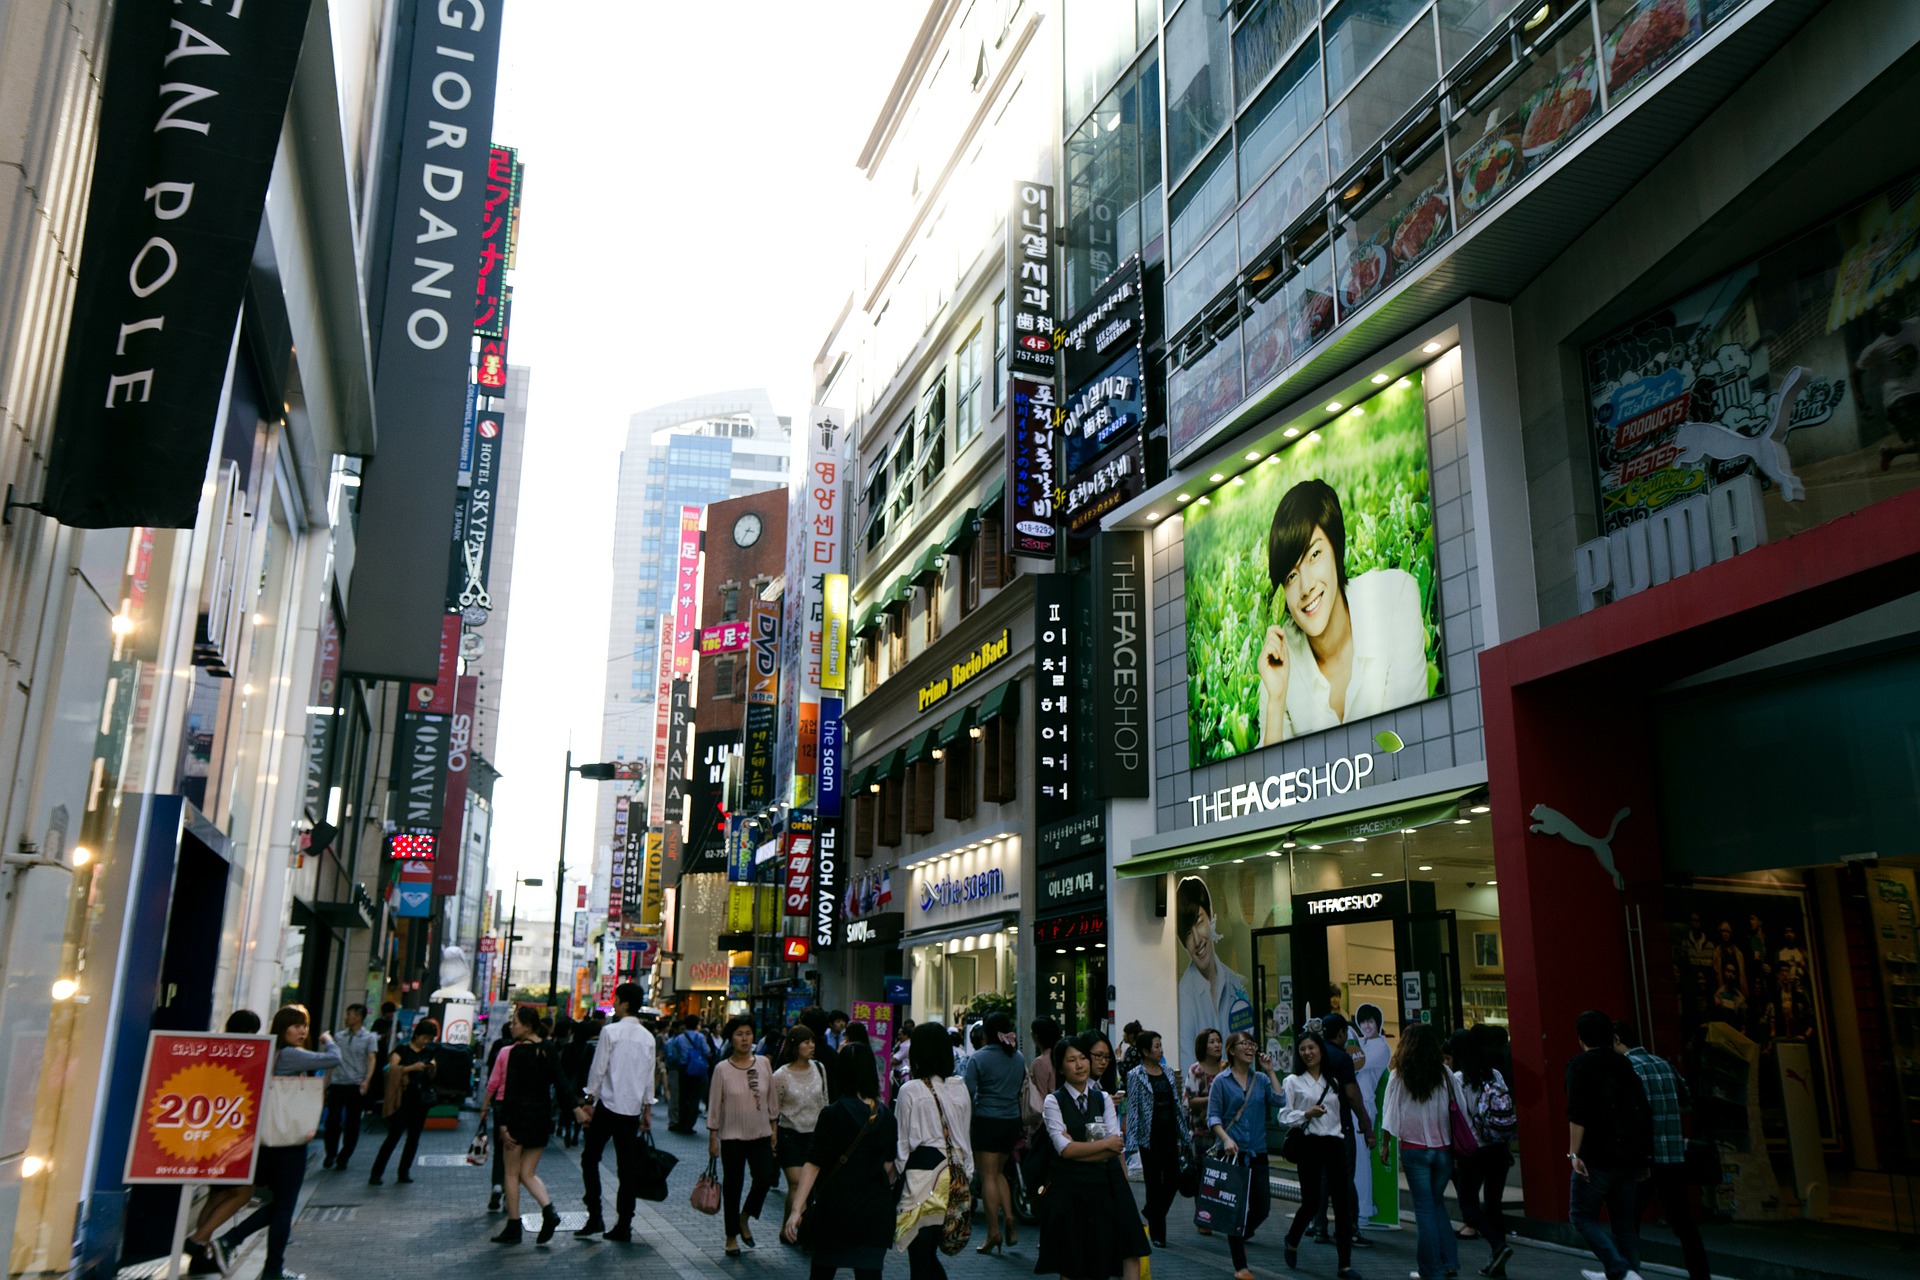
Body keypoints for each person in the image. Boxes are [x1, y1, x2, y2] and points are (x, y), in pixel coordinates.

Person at [1256, 478, 1427, 745]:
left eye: (1314, 555)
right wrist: (1276, 701)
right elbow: (1269, 784)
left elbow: (1411, 740)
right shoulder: (1278, 661)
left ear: (1337, 549)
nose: (1306, 586)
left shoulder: (1394, 598)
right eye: (1291, 575)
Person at [215, 1006, 341, 1280]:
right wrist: (328, 1038)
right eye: (296, 1026)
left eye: (304, 1026)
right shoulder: (289, 1054)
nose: (302, 1031)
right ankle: (266, 1266)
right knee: (284, 1208)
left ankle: (254, 1255)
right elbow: (334, 1059)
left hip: (269, 1143)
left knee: (280, 1206)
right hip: (288, 1144)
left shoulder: (272, 1054)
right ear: (283, 1028)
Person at [781, 1037, 898, 1280]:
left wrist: (796, 1209)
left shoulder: (832, 1114)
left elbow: (813, 1163)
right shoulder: (886, 1116)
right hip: (874, 1213)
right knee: (869, 1275)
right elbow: (889, 1166)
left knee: (822, 1273)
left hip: (835, 1211)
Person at [1039, 1032, 1151, 1280]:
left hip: (1101, 1186)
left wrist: (1079, 1149)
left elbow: (1115, 1145)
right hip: (1071, 1190)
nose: (1079, 1065)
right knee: (1073, 1259)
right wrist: (1100, 1148)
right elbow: (1064, 1149)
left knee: (1102, 1253)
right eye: (1071, 1060)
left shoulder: (1103, 1099)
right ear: (1060, 1066)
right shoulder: (1053, 1101)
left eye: (1082, 1058)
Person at [1614, 1022, 1705, 1280]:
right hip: (1673, 1155)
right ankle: (1701, 1275)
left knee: (1628, 1220)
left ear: (1617, 1040)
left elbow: (1629, 1116)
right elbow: (1686, 1102)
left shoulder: (1627, 1068)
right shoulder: (1664, 1065)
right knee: (1684, 1223)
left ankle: (1625, 1272)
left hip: (1644, 1158)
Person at [1565, 1010, 1652, 1280]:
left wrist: (1574, 1153)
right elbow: (1642, 1111)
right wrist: (1645, 1156)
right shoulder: (1624, 1064)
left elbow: (1577, 1114)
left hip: (1596, 1155)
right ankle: (1629, 1273)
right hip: (1629, 1156)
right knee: (1624, 1223)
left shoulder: (1579, 1065)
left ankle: (1620, 1269)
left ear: (1580, 1038)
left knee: (1581, 1215)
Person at [1382, 1022, 1469, 1280]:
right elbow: (1461, 1110)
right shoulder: (1445, 1073)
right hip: (1443, 1151)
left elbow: (1389, 1113)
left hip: (1414, 1149)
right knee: (1436, 1203)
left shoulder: (1400, 1074)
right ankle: (1449, 1262)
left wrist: (1385, 1145)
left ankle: (1430, 1271)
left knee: (1424, 1210)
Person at [185, 1011, 266, 1273]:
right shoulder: (246, 1053)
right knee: (243, 1192)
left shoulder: (215, 1049)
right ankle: (198, 1239)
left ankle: (200, 1249)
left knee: (217, 1193)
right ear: (252, 1031)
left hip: (210, 1131)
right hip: (234, 1133)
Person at [481, 1006, 571, 1244]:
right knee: (527, 1173)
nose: (512, 1026)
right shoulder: (549, 1049)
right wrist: (576, 1109)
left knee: (511, 1173)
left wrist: (503, 1124)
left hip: (517, 1119)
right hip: (541, 1119)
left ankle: (514, 1226)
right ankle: (548, 1211)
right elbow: (561, 1082)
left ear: (527, 1026)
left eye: (515, 1023)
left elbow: (511, 1092)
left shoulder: (517, 1053)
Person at [1279, 1031, 1364, 1280]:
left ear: (1320, 1050)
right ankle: (1292, 1239)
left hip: (1335, 1143)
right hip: (1309, 1144)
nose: (1307, 1052)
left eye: (1311, 1048)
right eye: (1303, 1049)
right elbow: (1283, 1116)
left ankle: (1345, 1265)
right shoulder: (1293, 1081)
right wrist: (1306, 1115)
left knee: (1342, 1204)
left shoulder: (1334, 1080)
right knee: (1311, 1202)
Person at [576, 982, 656, 1242]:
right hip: (631, 1110)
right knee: (627, 1168)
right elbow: (648, 1077)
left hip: (608, 1106)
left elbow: (599, 1069)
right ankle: (624, 1223)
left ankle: (595, 1214)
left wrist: (589, 1097)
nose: (614, 1004)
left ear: (623, 1003)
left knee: (590, 1158)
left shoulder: (610, 1032)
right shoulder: (648, 1037)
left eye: (616, 1000)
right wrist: (647, 1109)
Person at [894, 1021, 975, 1280]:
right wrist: (968, 1173)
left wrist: (893, 1178)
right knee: (928, 1254)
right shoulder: (960, 1088)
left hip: (922, 1178)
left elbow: (902, 1144)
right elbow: (964, 1135)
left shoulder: (910, 1090)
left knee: (920, 1254)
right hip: (955, 1173)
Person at [1209, 1030, 1283, 1280]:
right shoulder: (1221, 1081)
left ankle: (1243, 1232)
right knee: (1235, 1210)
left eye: (1252, 1044)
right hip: (1232, 1154)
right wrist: (1226, 1138)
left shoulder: (1261, 1079)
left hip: (1258, 1152)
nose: (1250, 1048)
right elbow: (1213, 1117)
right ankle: (1240, 1266)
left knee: (1262, 1207)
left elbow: (1280, 1100)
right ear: (1231, 1050)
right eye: (1244, 1044)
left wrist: (1271, 1070)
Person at [708, 1015, 780, 1255]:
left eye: (748, 1033)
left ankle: (745, 1216)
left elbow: (771, 1098)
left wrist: (774, 1128)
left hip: (760, 1133)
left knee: (765, 1177)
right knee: (733, 1186)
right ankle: (731, 1236)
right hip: (731, 1137)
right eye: (739, 1034)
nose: (745, 1038)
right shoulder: (722, 1069)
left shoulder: (763, 1063)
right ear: (731, 1037)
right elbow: (715, 1105)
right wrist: (713, 1137)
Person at [1449, 1029, 1515, 1278]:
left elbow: (1458, 1115)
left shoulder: (1458, 1078)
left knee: (1468, 1202)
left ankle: (1499, 1246)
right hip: (1499, 1147)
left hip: (1473, 1149)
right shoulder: (1494, 1074)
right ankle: (1498, 1263)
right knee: (1494, 1204)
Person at [1122, 1028, 1192, 1247]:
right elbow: (1133, 1107)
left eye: (1160, 1045)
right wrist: (1130, 1141)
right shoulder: (1135, 1075)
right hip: (1148, 1135)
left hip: (1169, 1132)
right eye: (1156, 1046)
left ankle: (1152, 1212)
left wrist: (1184, 1133)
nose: (1160, 1049)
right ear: (1145, 1051)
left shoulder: (1168, 1071)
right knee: (1153, 1183)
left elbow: (1176, 1105)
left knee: (1173, 1178)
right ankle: (1158, 1233)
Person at [963, 1011, 1026, 1251]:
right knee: (999, 1173)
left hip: (986, 1120)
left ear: (987, 1033)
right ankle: (1009, 1217)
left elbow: (968, 1092)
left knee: (987, 1176)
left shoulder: (978, 1058)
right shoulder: (1018, 1057)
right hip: (1011, 1121)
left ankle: (993, 1232)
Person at [1176, 877, 1254, 1062]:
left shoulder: (1235, 983)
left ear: (1211, 917)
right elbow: (1187, 1063)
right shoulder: (1184, 995)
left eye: (1199, 922)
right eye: (1187, 934)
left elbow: (1248, 1041)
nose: (1197, 940)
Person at [368, 1018, 439, 1185]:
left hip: (421, 1100)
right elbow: (391, 1070)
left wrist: (432, 1067)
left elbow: (432, 1076)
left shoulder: (429, 1052)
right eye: (425, 1038)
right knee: (394, 1136)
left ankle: (404, 1171)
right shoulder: (402, 1050)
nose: (426, 1042)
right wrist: (411, 1068)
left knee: (413, 1138)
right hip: (403, 1099)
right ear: (417, 1035)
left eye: (429, 1039)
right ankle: (376, 1173)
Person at [1857, 303, 1920, 471]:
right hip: (1898, 400)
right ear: (1879, 323)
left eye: (1892, 311)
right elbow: (1855, 373)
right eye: (1885, 315)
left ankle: (1891, 453)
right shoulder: (1875, 348)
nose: (1890, 315)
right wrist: (1861, 402)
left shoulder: (1914, 324)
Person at [775, 1024, 831, 1201]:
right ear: (795, 1045)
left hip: (815, 1136)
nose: (811, 1045)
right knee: (796, 1183)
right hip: (790, 1137)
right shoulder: (780, 1075)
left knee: (809, 1187)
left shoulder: (819, 1068)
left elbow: (825, 1100)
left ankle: (788, 1227)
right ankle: (794, 1227)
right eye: (806, 1042)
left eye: (812, 1041)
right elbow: (773, 1110)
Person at [321, 1003, 377, 1173]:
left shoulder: (369, 1038)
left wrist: (367, 1080)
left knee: (352, 1123)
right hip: (338, 1083)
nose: (347, 1017)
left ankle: (344, 1157)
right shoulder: (339, 1036)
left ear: (359, 1017)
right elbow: (332, 1058)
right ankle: (330, 1153)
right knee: (333, 1120)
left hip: (355, 1084)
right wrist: (326, 1079)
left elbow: (372, 1059)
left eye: (350, 1014)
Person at [1350, 1005, 1389, 1225]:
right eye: (1362, 1021)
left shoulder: (1380, 1048)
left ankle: (1364, 1210)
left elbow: (1357, 1063)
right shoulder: (1361, 1043)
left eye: (1370, 1021)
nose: (1366, 1026)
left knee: (1361, 1158)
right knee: (1354, 1157)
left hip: (1364, 1105)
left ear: (1378, 1023)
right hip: (1352, 1103)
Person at [670, 1014, 713, 1132]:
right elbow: (707, 1051)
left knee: (683, 1096)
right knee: (695, 1097)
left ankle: (681, 1122)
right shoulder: (700, 1037)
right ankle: (690, 1124)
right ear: (696, 1025)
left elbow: (674, 1055)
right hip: (697, 1069)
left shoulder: (679, 1038)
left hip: (684, 1069)